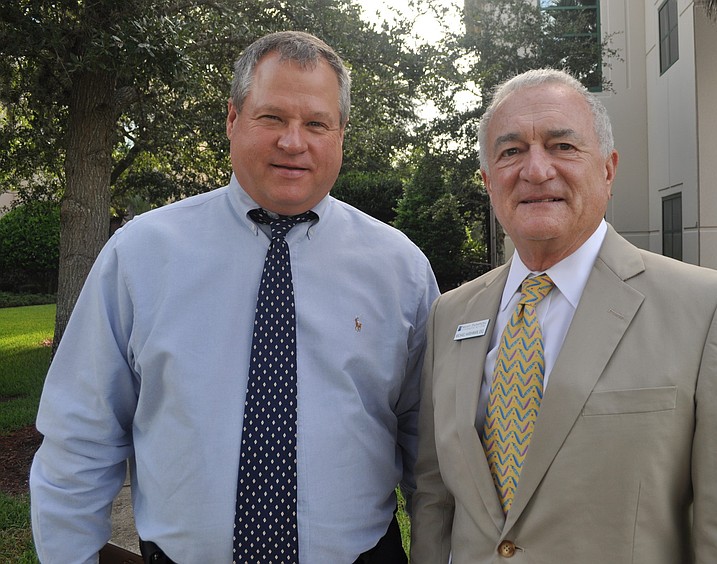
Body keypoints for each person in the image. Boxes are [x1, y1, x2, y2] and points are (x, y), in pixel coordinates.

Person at [31, 31, 439, 563]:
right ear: (232, 119)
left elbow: (427, 449)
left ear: (340, 134)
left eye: (316, 123)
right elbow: (79, 435)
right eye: (272, 118)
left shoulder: (400, 268)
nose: (294, 142)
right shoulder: (141, 255)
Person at [409, 68, 717, 563]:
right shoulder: (450, 314)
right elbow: (435, 495)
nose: (536, 170)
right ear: (487, 180)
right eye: (511, 151)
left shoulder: (708, 309)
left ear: (608, 169)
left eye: (562, 146)